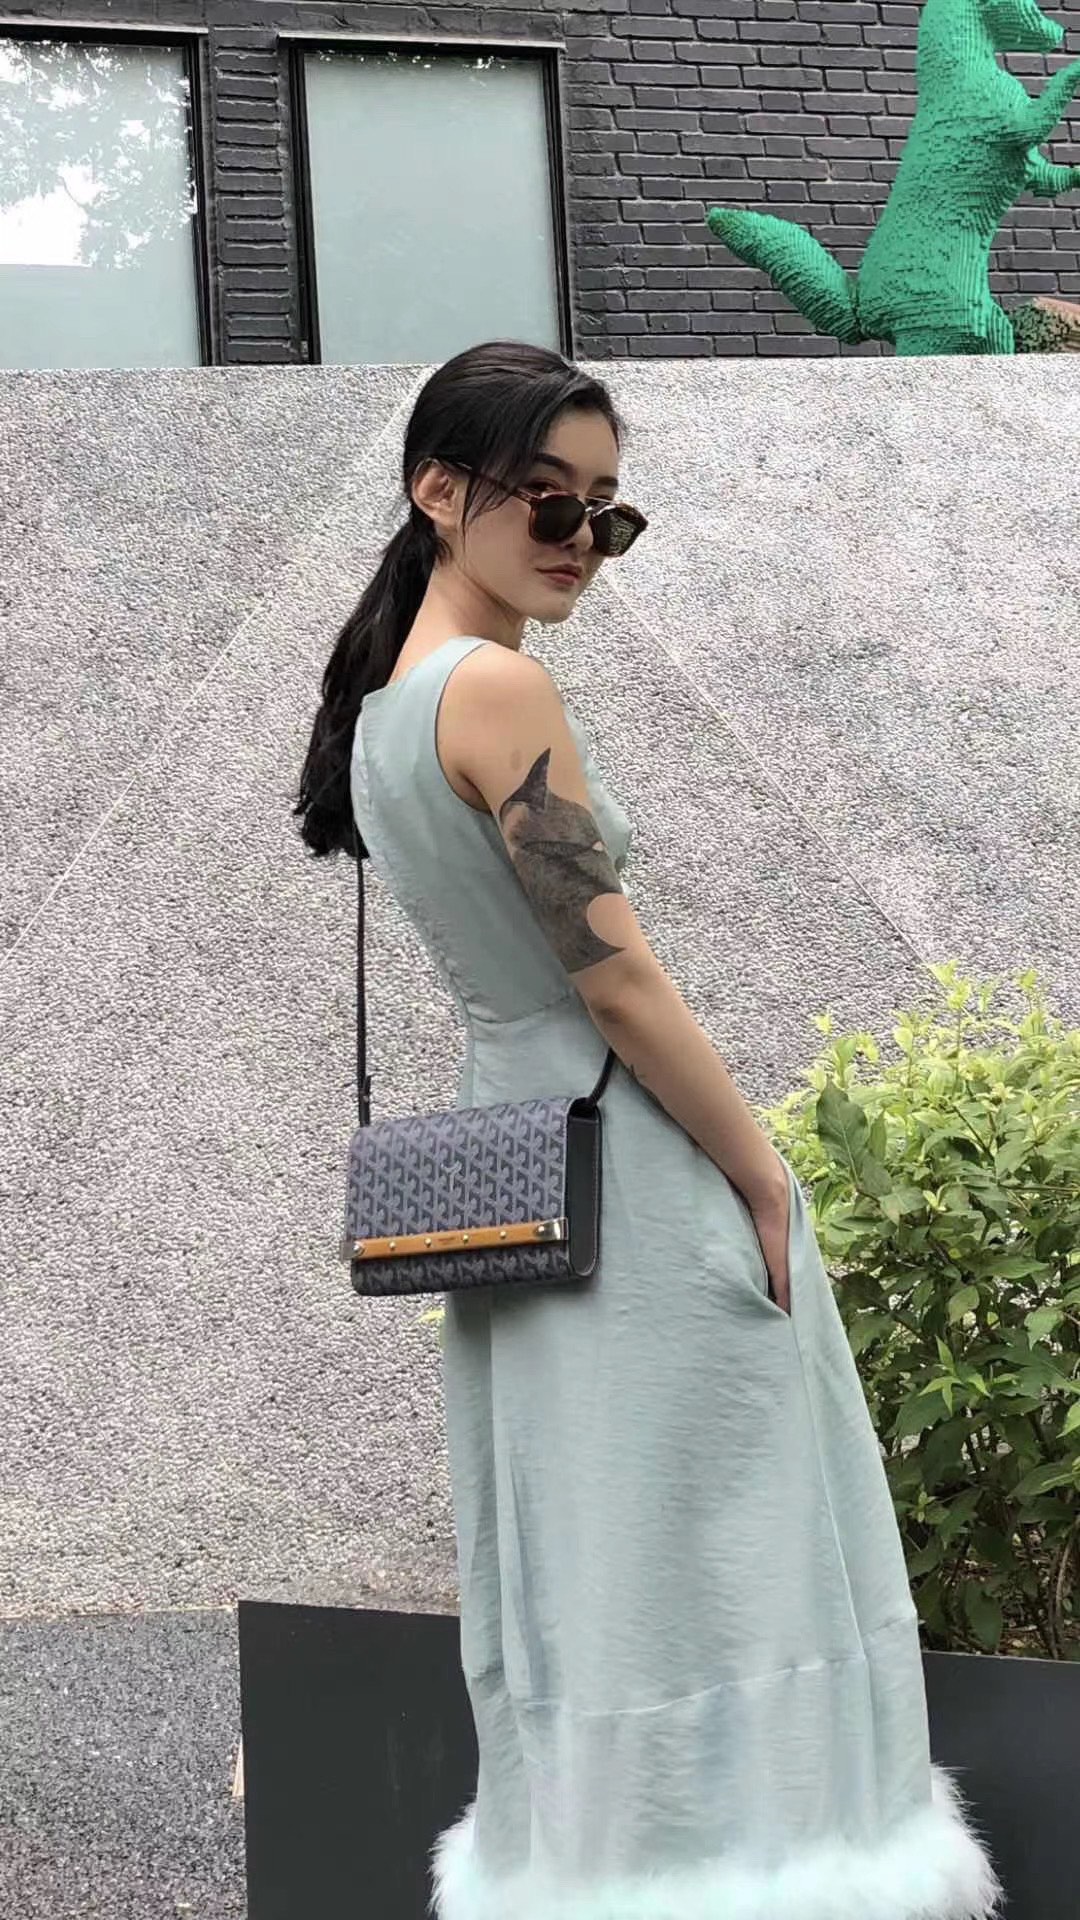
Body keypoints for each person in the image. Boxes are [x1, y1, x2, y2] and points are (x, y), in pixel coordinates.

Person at [293, 341, 1002, 1920]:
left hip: (523, 1173)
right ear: (438, 491)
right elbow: (611, 974)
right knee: (726, 1536)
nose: (579, 540)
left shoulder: (390, 708)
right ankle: (768, 1861)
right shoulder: (495, 689)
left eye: (607, 513)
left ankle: (607, 1862)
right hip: (621, 1167)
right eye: (548, 501)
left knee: (594, 1553)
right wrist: (761, 1172)